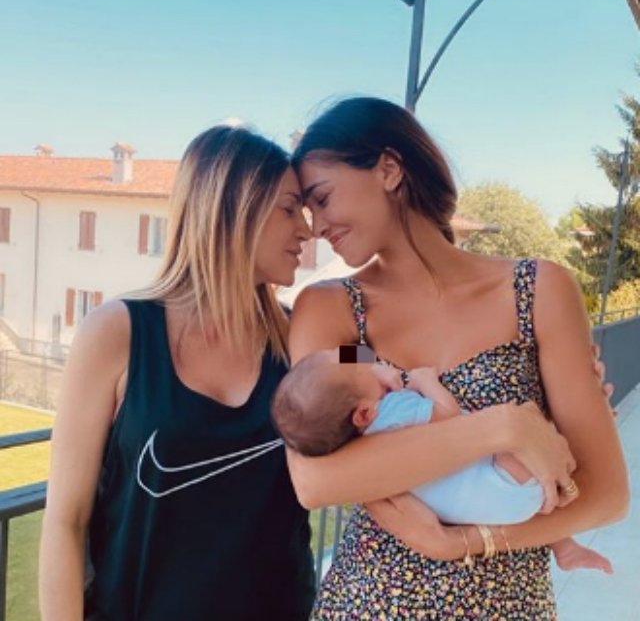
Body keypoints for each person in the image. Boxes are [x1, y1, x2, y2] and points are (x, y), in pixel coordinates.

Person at [286, 96, 629, 620]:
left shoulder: (537, 292)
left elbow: (606, 493)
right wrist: (503, 427)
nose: (316, 226)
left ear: (389, 169)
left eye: (323, 198)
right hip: (370, 604)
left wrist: (463, 543)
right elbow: (318, 479)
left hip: (509, 607)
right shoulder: (336, 313)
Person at [39, 125, 316, 621]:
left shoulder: (304, 339)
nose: (306, 230)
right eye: (290, 209)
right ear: (233, 210)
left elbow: (378, 366)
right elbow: (65, 521)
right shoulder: (115, 333)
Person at [272, 349, 613, 574]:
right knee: (529, 417)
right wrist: (425, 381)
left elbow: (347, 356)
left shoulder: (360, 442)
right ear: (363, 413)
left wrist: (373, 367)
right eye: (354, 362)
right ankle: (590, 418)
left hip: (480, 512)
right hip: (505, 482)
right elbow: (448, 414)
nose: (355, 355)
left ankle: (563, 543)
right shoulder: (393, 409)